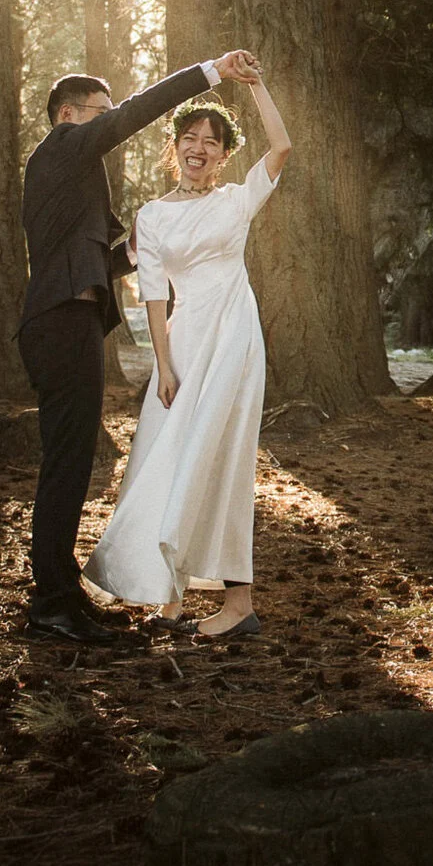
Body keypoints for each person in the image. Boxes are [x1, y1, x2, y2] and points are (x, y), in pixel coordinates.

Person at [17, 50, 259, 645]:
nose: (108, 124)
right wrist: (211, 71)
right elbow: (138, 112)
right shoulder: (64, 146)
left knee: (72, 462)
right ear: (68, 115)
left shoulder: (71, 179)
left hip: (70, 321)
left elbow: (104, 260)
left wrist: (158, 236)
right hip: (58, 321)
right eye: (98, 113)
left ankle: (60, 591)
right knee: (66, 466)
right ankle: (51, 600)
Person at [84, 61, 290, 639]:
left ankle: (238, 601)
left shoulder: (235, 201)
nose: (200, 149)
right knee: (163, 451)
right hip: (183, 339)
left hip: (234, 335)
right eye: (190, 140)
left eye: (212, 142)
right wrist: (163, 364)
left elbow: (282, 146)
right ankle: (169, 599)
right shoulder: (150, 217)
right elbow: (152, 296)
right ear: (174, 148)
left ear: (225, 154)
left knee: (218, 454)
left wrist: (256, 85)